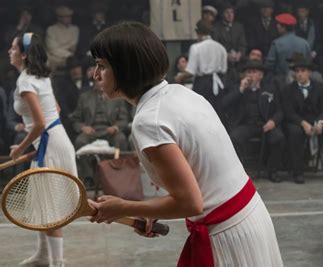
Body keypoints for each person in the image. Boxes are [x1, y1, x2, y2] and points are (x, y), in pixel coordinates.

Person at [88, 22, 282, 267]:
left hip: (228, 234)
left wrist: (122, 207)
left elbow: (190, 202)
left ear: (125, 69)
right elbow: (199, 182)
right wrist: (149, 210)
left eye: (102, 66)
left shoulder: (149, 122)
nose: (95, 74)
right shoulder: (181, 93)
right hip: (250, 217)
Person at [8, 32, 77, 267]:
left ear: (24, 54)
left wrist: (20, 148)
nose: (10, 52)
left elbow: (39, 123)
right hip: (53, 142)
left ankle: (57, 263)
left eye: (13, 48)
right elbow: (54, 110)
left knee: (52, 211)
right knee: (41, 203)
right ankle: (43, 255)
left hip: (51, 144)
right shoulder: (40, 77)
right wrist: (37, 147)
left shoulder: (26, 81)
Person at [222, 60, 285, 182]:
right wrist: (241, 89)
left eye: (254, 72)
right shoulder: (238, 87)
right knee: (234, 137)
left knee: (278, 138)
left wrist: (273, 121)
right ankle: (239, 173)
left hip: (265, 124)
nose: (250, 75)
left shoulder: (270, 89)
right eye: (248, 72)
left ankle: (273, 171)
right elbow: (224, 104)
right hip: (245, 125)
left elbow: (280, 111)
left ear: (261, 75)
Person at [283, 55, 323, 184]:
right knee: (295, 133)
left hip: (316, 120)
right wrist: (303, 124)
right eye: (297, 71)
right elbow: (288, 112)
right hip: (297, 121)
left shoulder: (319, 87)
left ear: (309, 72)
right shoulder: (289, 89)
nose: (299, 74)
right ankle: (298, 172)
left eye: (303, 71)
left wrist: (320, 122)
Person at [176, 20, 227, 122]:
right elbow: (224, 69)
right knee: (217, 115)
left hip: (203, 84)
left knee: (200, 115)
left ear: (198, 32)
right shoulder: (220, 47)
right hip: (218, 82)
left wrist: (179, 77)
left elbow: (191, 72)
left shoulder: (196, 47)